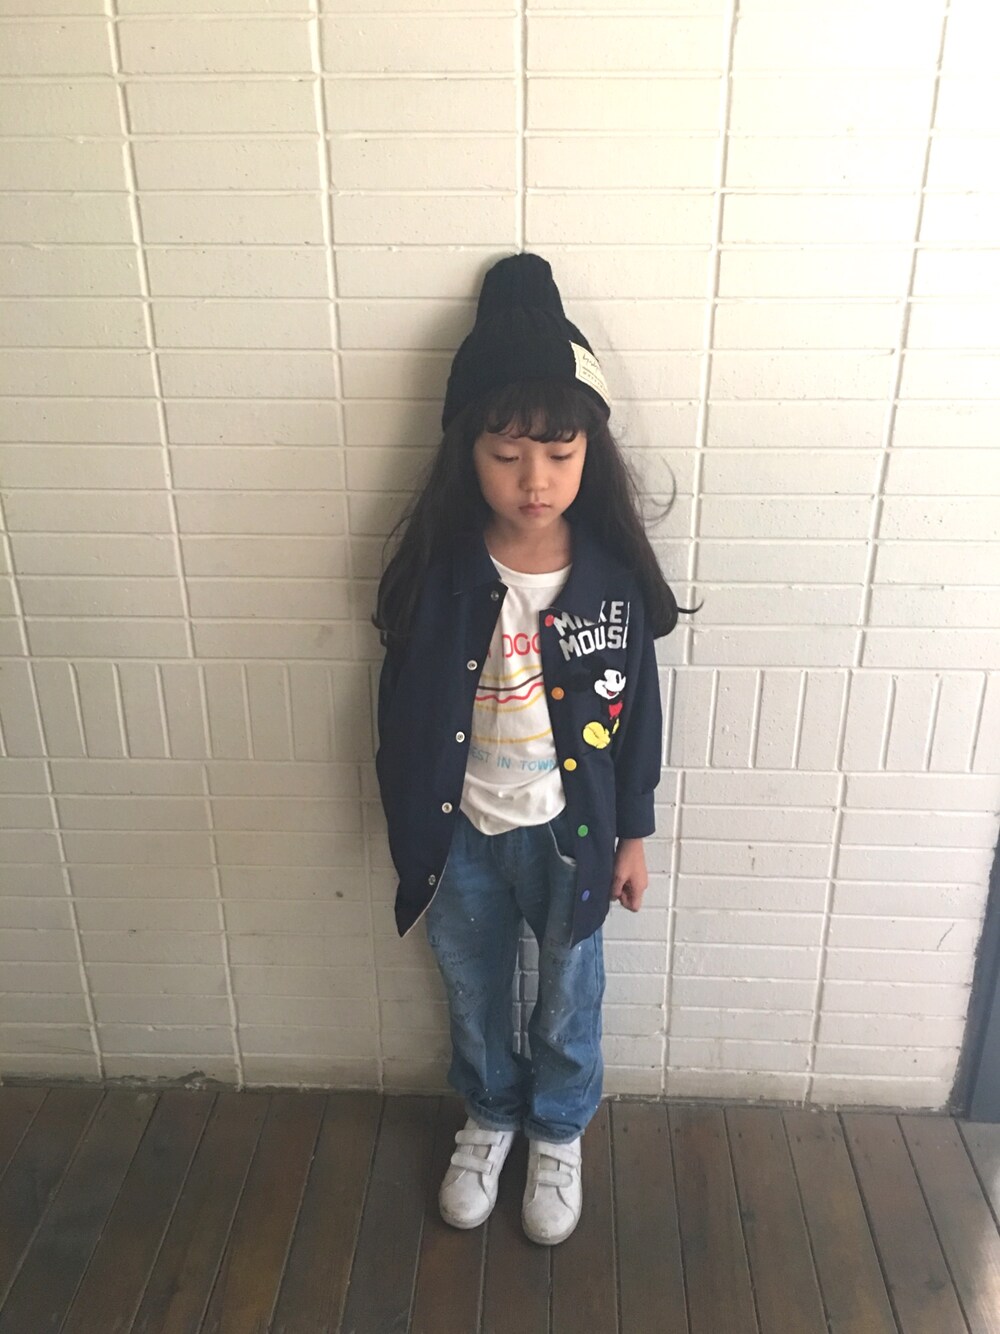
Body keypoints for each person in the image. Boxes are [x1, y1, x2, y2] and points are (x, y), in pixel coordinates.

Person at [372, 252, 690, 1246]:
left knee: (567, 995)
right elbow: (398, 708)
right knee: (472, 991)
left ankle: (556, 1129)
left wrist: (633, 834)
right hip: (461, 835)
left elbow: (637, 719)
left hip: (571, 834)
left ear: (591, 449)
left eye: (558, 451)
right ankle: (490, 1114)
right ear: (466, 452)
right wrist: (407, 821)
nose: (535, 478)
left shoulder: (610, 581)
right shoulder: (438, 570)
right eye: (507, 453)